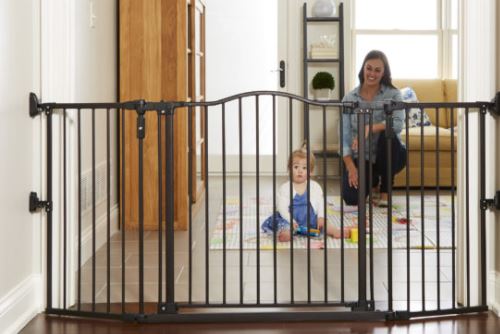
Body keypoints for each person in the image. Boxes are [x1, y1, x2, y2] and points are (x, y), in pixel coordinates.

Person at [341, 50, 407, 206]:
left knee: (387, 132)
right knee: (351, 199)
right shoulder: (349, 98)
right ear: (363, 68)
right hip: (363, 157)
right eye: (369, 68)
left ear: (384, 73)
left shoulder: (394, 94)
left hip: (391, 154)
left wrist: (370, 127)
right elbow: (344, 137)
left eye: (378, 70)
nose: (372, 73)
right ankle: (372, 182)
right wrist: (350, 167)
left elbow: (398, 124)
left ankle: (385, 192)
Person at [261, 147, 350, 242]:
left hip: (309, 218)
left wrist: (320, 216)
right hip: (290, 218)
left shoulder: (314, 186)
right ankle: (286, 233)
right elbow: (282, 208)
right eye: (296, 167)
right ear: (289, 169)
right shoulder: (285, 188)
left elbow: (320, 203)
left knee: (323, 223)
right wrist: (291, 221)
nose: (300, 171)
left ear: (310, 172)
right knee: (282, 223)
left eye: (304, 168)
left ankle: (334, 231)